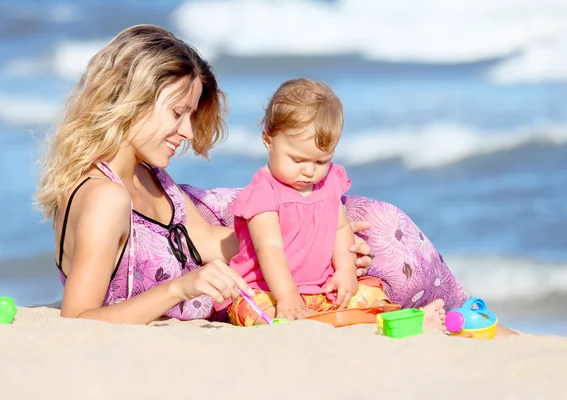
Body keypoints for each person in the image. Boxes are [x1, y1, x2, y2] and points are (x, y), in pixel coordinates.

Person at [35, 24, 378, 325]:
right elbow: (78, 320)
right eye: (177, 113)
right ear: (131, 100)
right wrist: (180, 288)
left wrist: (314, 239)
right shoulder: (104, 197)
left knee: (372, 233)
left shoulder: (150, 177)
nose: (186, 131)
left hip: (236, 243)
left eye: (191, 115)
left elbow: (214, 242)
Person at [218, 79, 450, 327]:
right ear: (268, 140)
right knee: (255, 312)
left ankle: (410, 322)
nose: (309, 171)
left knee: (371, 296)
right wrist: (287, 297)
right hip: (266, 289)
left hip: (320, 287)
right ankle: (307, 317)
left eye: (321, 162)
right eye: (297, 160)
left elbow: (340, 229)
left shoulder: (328, 183)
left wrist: (346, 272)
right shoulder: (263, 193)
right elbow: (270, 248)